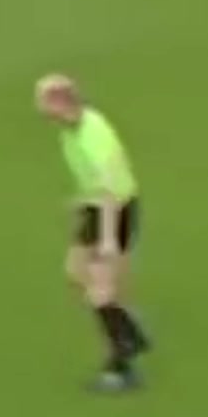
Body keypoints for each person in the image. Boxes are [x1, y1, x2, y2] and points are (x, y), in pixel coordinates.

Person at [36, 75, 152, 392]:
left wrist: (109, 239)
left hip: (115, 211)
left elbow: (111, 189)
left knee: (100, 291)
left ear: (60, 102)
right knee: (76, 272)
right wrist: (81, 202)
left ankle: (122, 368)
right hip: (97, 208)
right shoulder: (70, 131)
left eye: (43, 100)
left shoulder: (93, 135)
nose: (39, 107)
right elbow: (96, 181)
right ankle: (128, 325)